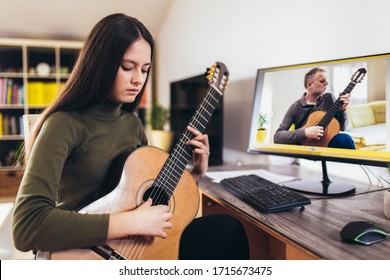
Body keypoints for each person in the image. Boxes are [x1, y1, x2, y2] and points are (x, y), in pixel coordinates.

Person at [12, 13, 248, 260]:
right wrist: (130, 222)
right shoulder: (63, 124)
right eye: (127, 67)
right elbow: (27, 226)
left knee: (227, 229)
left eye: (145, 70)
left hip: (136, 243)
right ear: (99, 64)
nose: (138, 79)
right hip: (87, 252)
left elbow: (148, 196)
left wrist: (195, 175)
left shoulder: (132, 124)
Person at [273, 67, 355, 149]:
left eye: (326, 80)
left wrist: (342, 110)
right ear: (309, 85)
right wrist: (305, 132)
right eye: (322, 81)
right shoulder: (295, 107)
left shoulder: (329, 98)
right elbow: (277, 136)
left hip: (328, 144)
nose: (327, 83)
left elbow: (342, 127)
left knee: (345, 139)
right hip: (307, 148)